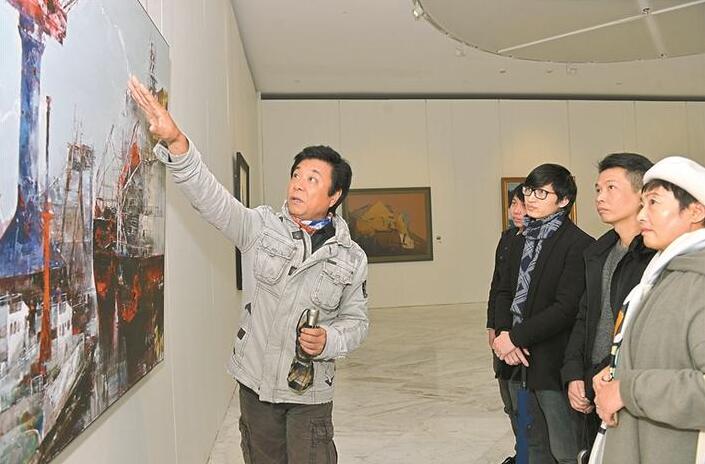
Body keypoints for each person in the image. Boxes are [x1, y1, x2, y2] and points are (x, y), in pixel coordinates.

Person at [128, 76, 369, 463]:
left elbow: (357, 322)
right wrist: (177, 142)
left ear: (334, 195)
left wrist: (329, 339)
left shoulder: (351, 258)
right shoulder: (261, 227)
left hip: (310, 392)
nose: (298, 184)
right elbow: (213, 201)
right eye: (296, 175)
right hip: (256, 386)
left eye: (312, 179)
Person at [592, 156, 705, 464]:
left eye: (653, 203)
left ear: (696, 211)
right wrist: (616, 370)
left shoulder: (697, 283)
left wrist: (627, 390)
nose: (642, 215)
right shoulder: (661, 275)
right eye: (642, 204)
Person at [493, 163, 594, 464]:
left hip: (551, 364)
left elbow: (565, 309)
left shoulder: (579, 245)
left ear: (563, 200)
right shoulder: (518, 239)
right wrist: (503, 335)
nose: (530, 198)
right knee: (531, 444)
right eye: (528, 190)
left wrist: (515, 337)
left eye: (541, 193)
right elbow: (503, 291)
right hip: (515, 363)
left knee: (565, 450)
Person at [560, 153, 655, 456]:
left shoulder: (654, 258)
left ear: (642, 195)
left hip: (628, 384)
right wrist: (574, 373)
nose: (600, 197)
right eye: (598, 189)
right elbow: (585, 315)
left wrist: (608, 376)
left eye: (611, 188)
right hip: (592, 379)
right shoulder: (599, 252)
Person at [487, 185, 552, 464]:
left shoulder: (544, 244)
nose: (516, 210)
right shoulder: (508, 239)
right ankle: (521, 454)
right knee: (510, 403)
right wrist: (494, 326)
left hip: (525, 339)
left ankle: (529, 456)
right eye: (513, 203)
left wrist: (515, 336)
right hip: (504, 335)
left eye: (522, 204)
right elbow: (498, 287)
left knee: (528, 410)